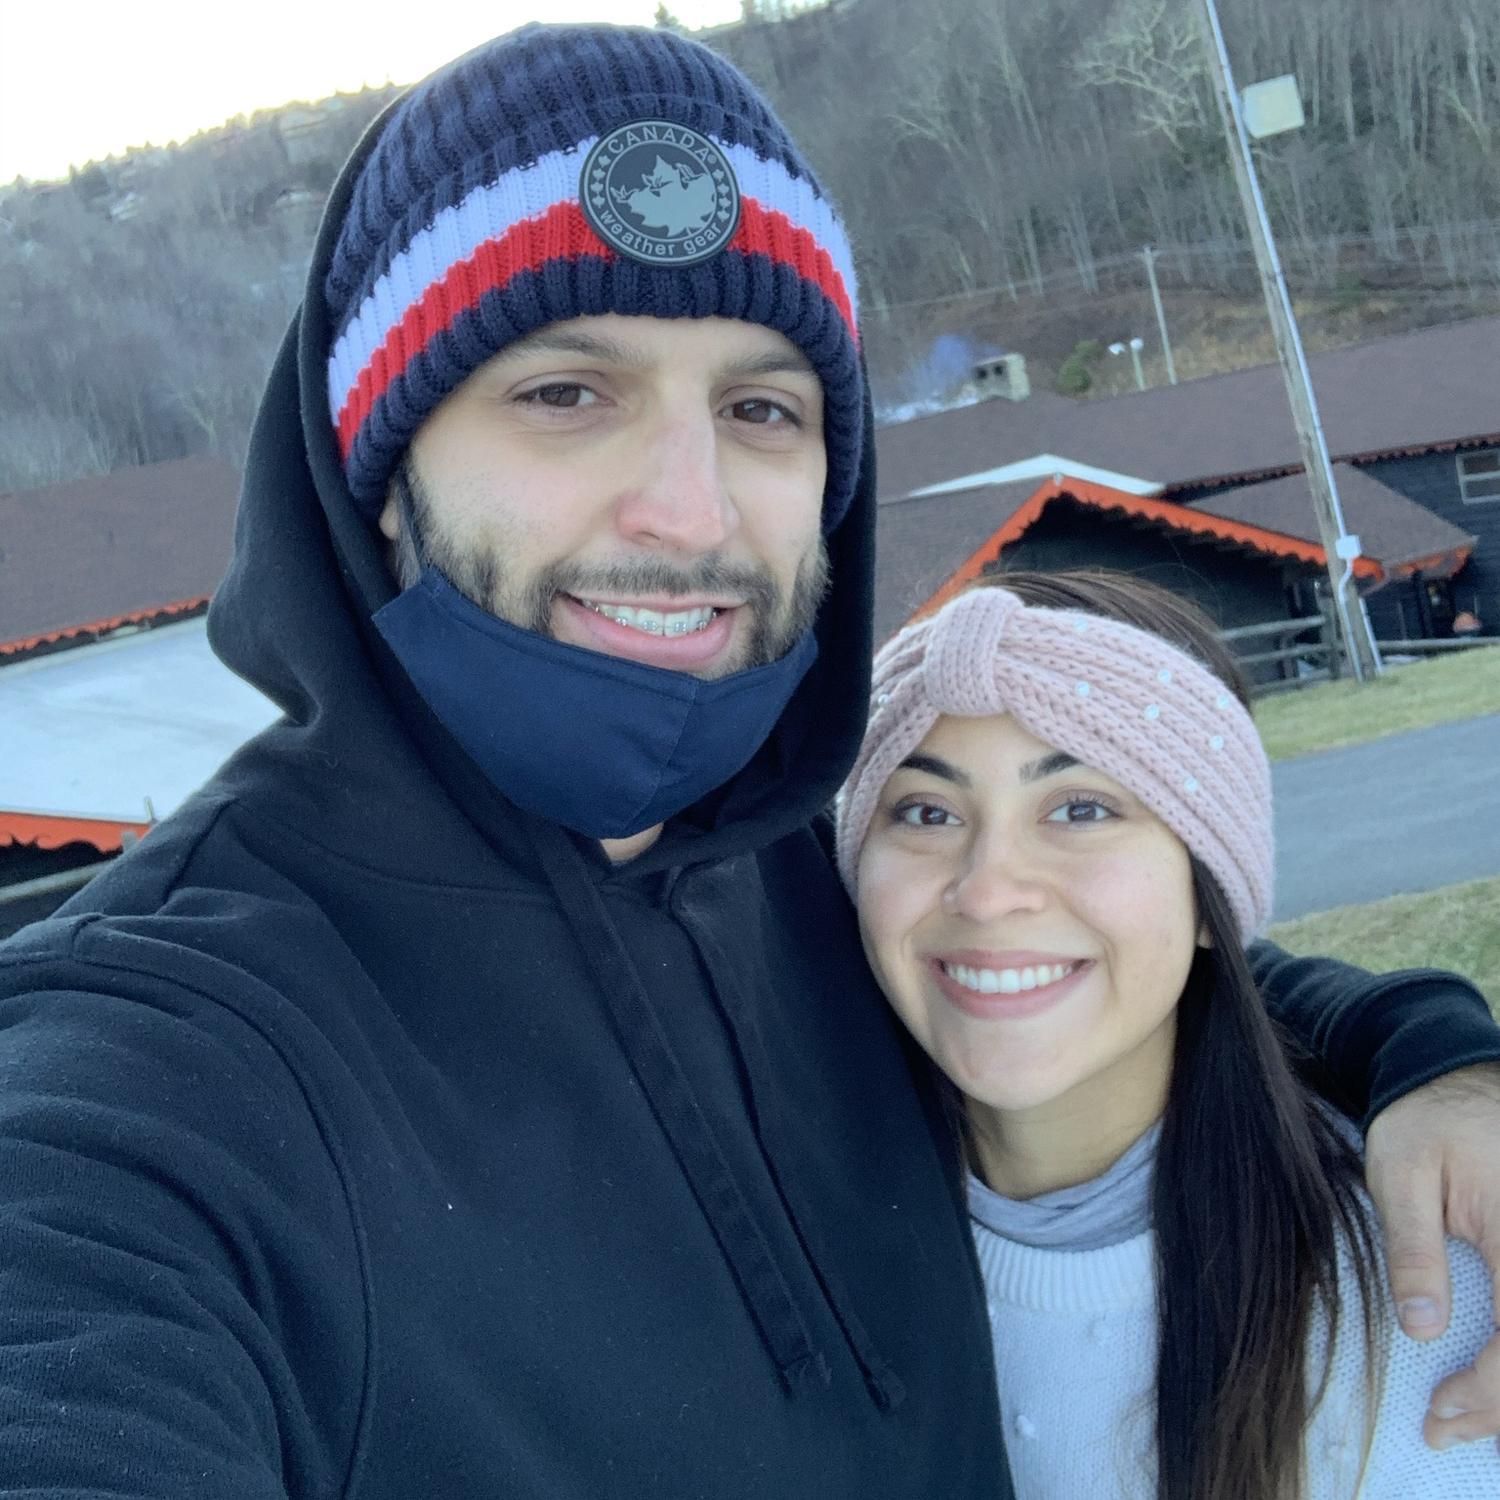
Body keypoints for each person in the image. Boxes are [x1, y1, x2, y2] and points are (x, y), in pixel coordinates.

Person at [1, 23, 1498, 1498]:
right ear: (377, 467)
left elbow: (1128, 953)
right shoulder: (164, 1070)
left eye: (761, 409)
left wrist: (1429, 1051)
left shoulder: (812, 874)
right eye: (567, 392)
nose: (690, 508)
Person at [835, 570, 1500, 1497]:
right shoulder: (813, 1237)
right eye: (926, 812)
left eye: (1081, 809)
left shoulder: (1442, 1286)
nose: (985, 892)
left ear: (1207, 892)